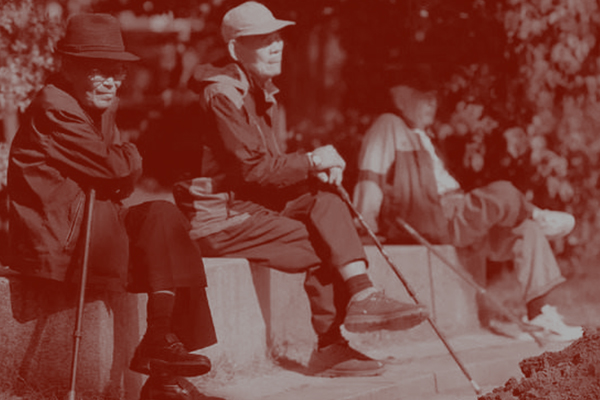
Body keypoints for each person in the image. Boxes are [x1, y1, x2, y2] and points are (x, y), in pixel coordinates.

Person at [173, 1, 429, 378]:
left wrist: (313, 173)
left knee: (324, 199)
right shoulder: (223, 95)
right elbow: (255, 170)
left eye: (277, 36)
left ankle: (361, 295)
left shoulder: (258, 91)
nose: (276, 45)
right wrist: (311, 161)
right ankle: (330, 344)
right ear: (234, 49)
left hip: (247, 205)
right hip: (218, 218)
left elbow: (266, 171)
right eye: (262, 39)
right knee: (329, 243)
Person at [7, 13, 217, 394]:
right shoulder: (55, 107)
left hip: (96, 225)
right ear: (68, 67)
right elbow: (118, 170)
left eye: (117, 70)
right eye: (96, 69)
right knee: (162, 250)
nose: (110, 79)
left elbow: (117, 182)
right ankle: (163, 371)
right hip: (63, 243)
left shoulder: (95, 108)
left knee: (164, 216)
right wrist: (127, 158)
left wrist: (120, 164)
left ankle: (160, 350)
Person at [353, 64, 583, 342]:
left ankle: (539, 315)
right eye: (423, 97)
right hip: (437, 216)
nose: (432, 104)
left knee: (527, 232)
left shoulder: (423, 135)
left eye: (434, 98)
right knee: (504, 191)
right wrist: (365, 225)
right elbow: (370, 175)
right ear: (400, 98)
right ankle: (536, 214)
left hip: (456, 214)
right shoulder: (389, 125)